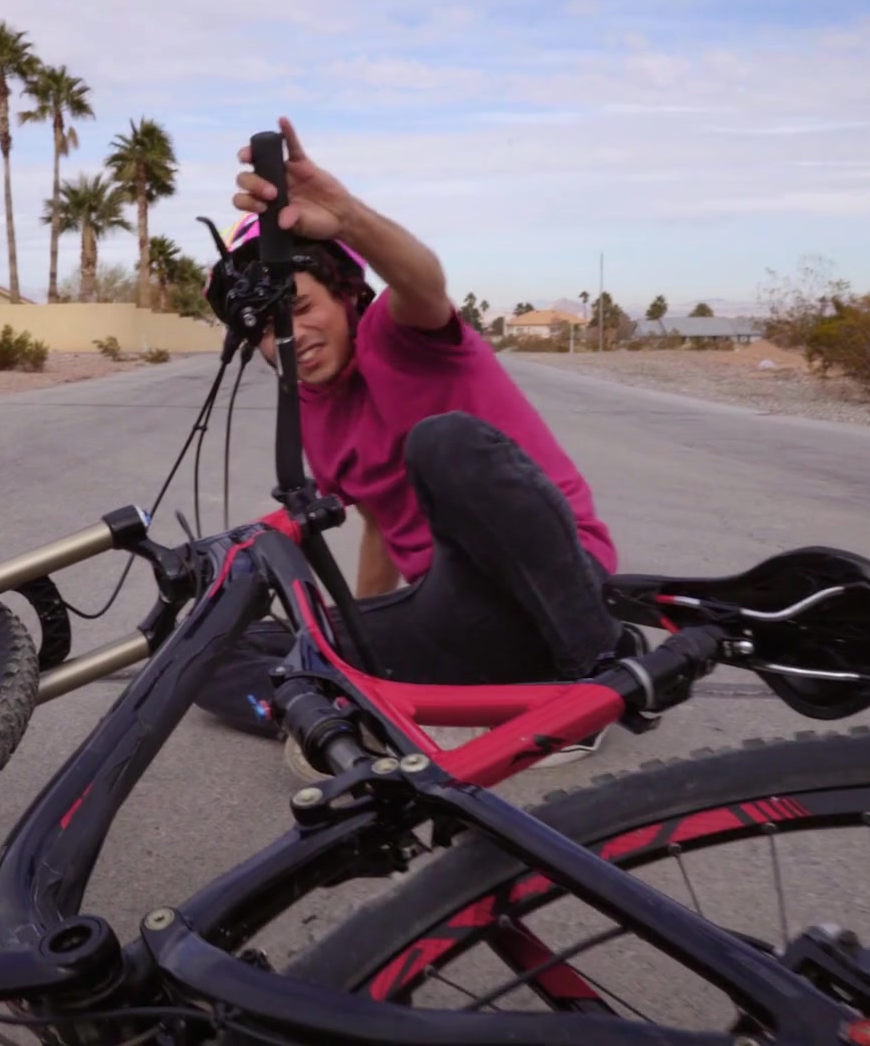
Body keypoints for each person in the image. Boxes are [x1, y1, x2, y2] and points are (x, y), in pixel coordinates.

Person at [195, 118, 642, 779]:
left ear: (346, 294)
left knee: (444, 442)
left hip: (553, 581)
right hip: (453, 610)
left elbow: (424, 283)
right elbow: (379, 522)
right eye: (264, 327)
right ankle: (363, 711)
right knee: (211, 651)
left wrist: (348, 218)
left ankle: (591, 679)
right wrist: (350, 638)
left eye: (302, 306)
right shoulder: (314, 406)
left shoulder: (398, 334)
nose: (288, 335)